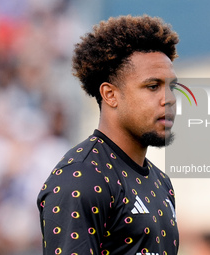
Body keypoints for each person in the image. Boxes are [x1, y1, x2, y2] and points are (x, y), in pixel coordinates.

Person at [37, 15, 180, 255]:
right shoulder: (81, 178)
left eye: (171, 87)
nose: (170, 99)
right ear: (110, 94)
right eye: (153, 86)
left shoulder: (161, 182)